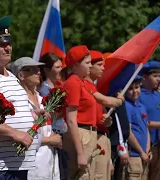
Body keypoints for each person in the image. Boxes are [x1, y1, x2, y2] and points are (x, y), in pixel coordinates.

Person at [0, 16, 49, 180]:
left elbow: (17, 109)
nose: (8, 48)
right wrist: (14, 133)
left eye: (9, 44)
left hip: (20, 163)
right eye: (1, 45)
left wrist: (34, 115)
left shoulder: (11, 76)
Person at [11, 57, 62, 180]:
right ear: (21, 75)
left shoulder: (41, 98)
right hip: (31, 164)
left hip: (50, 161)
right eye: (33, 70)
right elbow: (18, 134)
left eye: (38, 69)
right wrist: (49, 140)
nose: (38, 72)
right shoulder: (17, 101)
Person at [84, 50, 125, 180]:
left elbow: (103, 118)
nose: (103, 68)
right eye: (100, 64)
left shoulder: (94, 87)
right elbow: (106, 101)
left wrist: (108, 121)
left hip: (101, 136)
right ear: (90, 67)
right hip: (92, 137)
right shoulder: (84, 85)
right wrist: (120, 101)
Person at [61, 45, 97, 180]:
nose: (91, 66)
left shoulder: (81, 82)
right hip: (80, 134)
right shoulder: (73, 83)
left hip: (87, 133)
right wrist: (80, 152)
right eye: (87, 63)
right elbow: (71, 120)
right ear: (76, 65)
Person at [38, 52, 69, 180]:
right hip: (51, 135)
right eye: (57, 67)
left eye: (61, 66)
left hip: (61, 135)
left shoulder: (59, 87)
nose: (61, 70)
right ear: (46, 69)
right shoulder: (42, 90)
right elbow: (46, 115)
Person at [138, 60, 160, 180]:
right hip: (144, 145)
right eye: (155, 76)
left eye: (159, 75)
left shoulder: (158, 95)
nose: (158, 79)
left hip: (158, 144)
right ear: (145, 77)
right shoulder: (138, 94)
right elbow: (142, 123)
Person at [124, 76, 151, 180]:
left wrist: (147, 149)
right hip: (134, 155)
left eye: (137, 87)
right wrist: (141, 152)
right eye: (131, 89)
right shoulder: (126, 106)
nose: (135, 91)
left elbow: (146, 128)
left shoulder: (141, 106)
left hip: (144, 155)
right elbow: (128, 132)